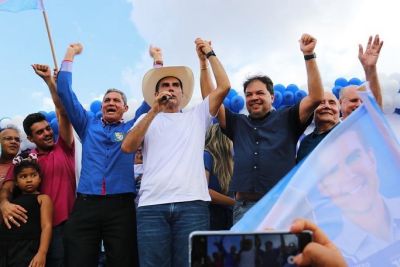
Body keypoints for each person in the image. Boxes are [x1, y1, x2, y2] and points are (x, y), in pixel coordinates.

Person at [121, 38, 231, 266]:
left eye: (175, 86)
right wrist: (154, 110)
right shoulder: (145, 118)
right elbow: (128, 147)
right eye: (165, 86)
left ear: (182, 94)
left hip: (192, 204)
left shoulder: (196, 116)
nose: (170, 89)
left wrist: (207, 56)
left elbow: (224, 87)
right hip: (152, 206)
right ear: (156, 93)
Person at [198, 34, 324, 223]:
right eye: (249, 95)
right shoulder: (237, 123)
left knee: (283, 254)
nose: (253, 97)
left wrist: (309, 55)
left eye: (260, 93)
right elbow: (211, 100)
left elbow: (315, 97)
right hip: (244, 210)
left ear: (272, 97)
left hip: (281, 208)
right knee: (245, 254)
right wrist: (203, 64)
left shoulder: (289, 118)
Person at [56, 43, 153, 266]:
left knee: (123, 261)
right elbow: (65, 92)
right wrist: (70, 53)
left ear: (125, 108)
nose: (111, 103)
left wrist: (157, 61)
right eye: (107, 100)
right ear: (101, 106)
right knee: (78, 260)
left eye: (116, 100)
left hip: (121, 207)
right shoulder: (87, 124)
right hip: (86, 204)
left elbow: (151, 99)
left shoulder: (132, 127)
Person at [0, 64, 75, 266]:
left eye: (47, 129)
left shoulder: (64, 148)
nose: (47, 133)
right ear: (31, 138)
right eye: (40, 132)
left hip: (63, 227)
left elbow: (62, 111)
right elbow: (7, 186)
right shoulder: (24, 159)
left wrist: (49, 81)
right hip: (31, 232)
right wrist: (4, 203)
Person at [314, 129, 400, 263]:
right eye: (333, 170)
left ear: (372, 158)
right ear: (323, 187)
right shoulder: (332, 255)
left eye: (353, 158)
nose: (349, 175)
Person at [0, 152, 53, 267]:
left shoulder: (43, 199)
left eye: (33, 175)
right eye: (23, 176)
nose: (29, 180)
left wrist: (42, 253)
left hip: (28, 248)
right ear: (16, 182)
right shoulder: (10, 202)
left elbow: (46, 226)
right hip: (5, 247)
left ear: (40, 178)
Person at [340, 35, 383, 119]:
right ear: (341, 102)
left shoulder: (370, 124)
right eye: (353, 100)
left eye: (363, 102)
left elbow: (376, 106)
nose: (359, 105)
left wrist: (370, 68)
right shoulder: (332, 128)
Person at [204, 124, 235, 230]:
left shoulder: (229, 160)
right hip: (210, 218)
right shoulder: (206, 155)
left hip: (226, 217)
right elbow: (205, 191)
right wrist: (236, 203)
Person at [296, 91, 340, 162]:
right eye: (321, 103)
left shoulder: (349, 134)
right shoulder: (305, 142)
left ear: (339, 108)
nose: (327, 106)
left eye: (332, 103)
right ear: (312, 110)